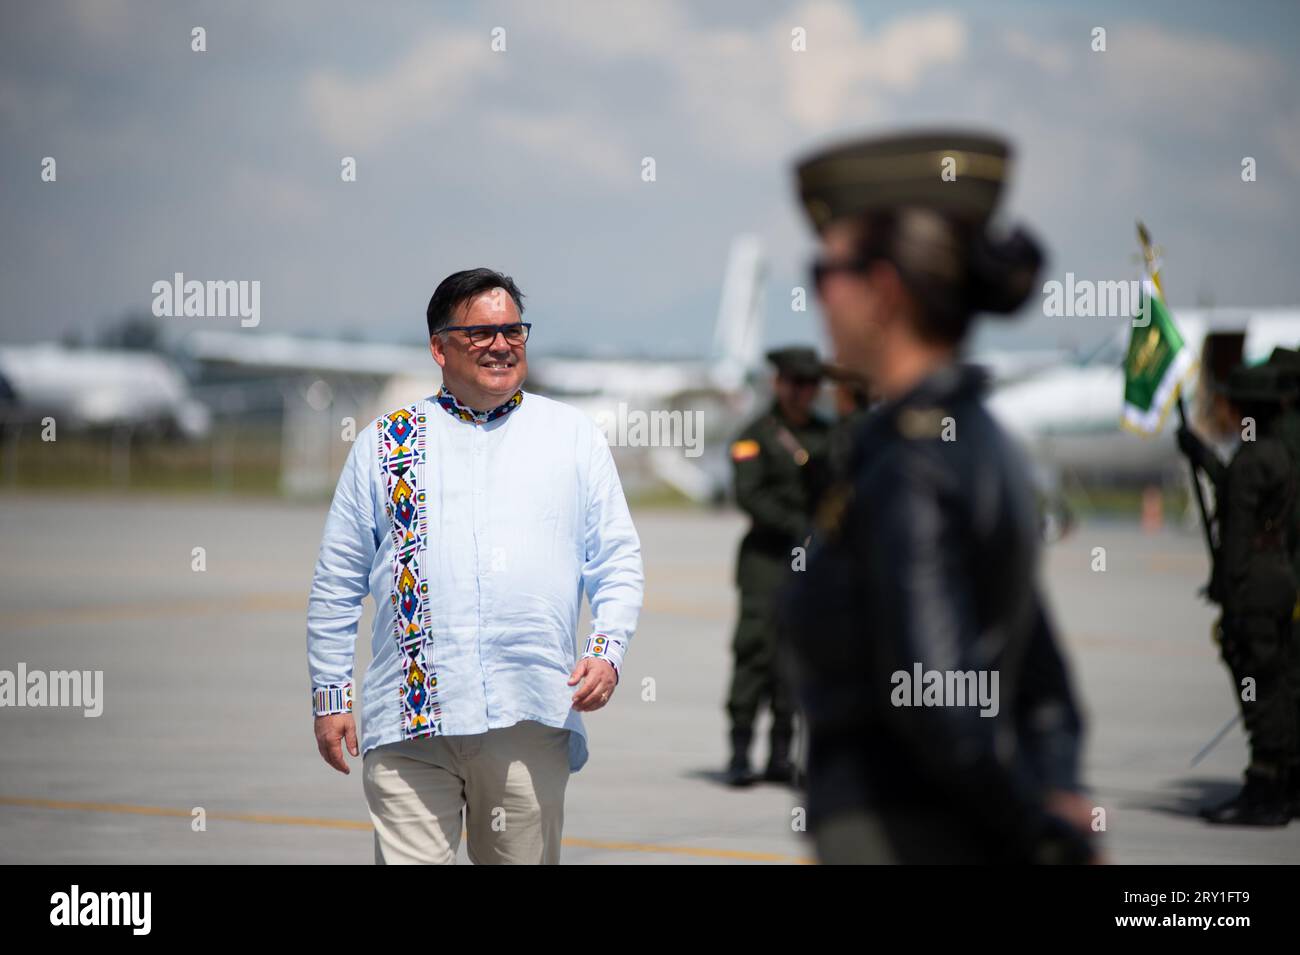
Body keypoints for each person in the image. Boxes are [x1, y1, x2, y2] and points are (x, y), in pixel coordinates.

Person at [782, 130, 1096, 863]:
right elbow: (1044, 687)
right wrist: (1053, 796)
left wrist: (1036, 832)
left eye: (824, 270)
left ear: (883, 289)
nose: (817, 296)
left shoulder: (911, 461)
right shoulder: (974, 435)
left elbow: (938, 700)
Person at [306, 268, 644, 863]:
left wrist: (608, 651)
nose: (501, 344)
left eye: (514, 330)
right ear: (440, 348)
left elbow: (615, 559)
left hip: (529, 713)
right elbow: (338, 582)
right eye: (481, 333)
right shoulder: (386, 444)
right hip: (409, 721)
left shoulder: (570, 437)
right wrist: (331, 695)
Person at [1177, 362, 1297, 825]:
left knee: (1258, 684)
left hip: (1253, 586)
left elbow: (1237, 527)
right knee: (1278, 682)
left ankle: (1266, 786)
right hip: (1280, 578)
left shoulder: (1251, 459)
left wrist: (1226, 590)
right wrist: (1203, 455)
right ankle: (1283, 782)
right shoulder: (1279, 454)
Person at [724, 346, 831, 786]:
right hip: (766, 560)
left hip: (812, 563)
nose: (803, 393)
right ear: (779, 384)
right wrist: (799, 525)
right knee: (755, 651)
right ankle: (740, 753)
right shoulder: (756, 435)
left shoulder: (827, 435)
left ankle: (782, 755)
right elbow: (749, 495)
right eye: (796, 384)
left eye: (811, 385)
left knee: (795, 658)